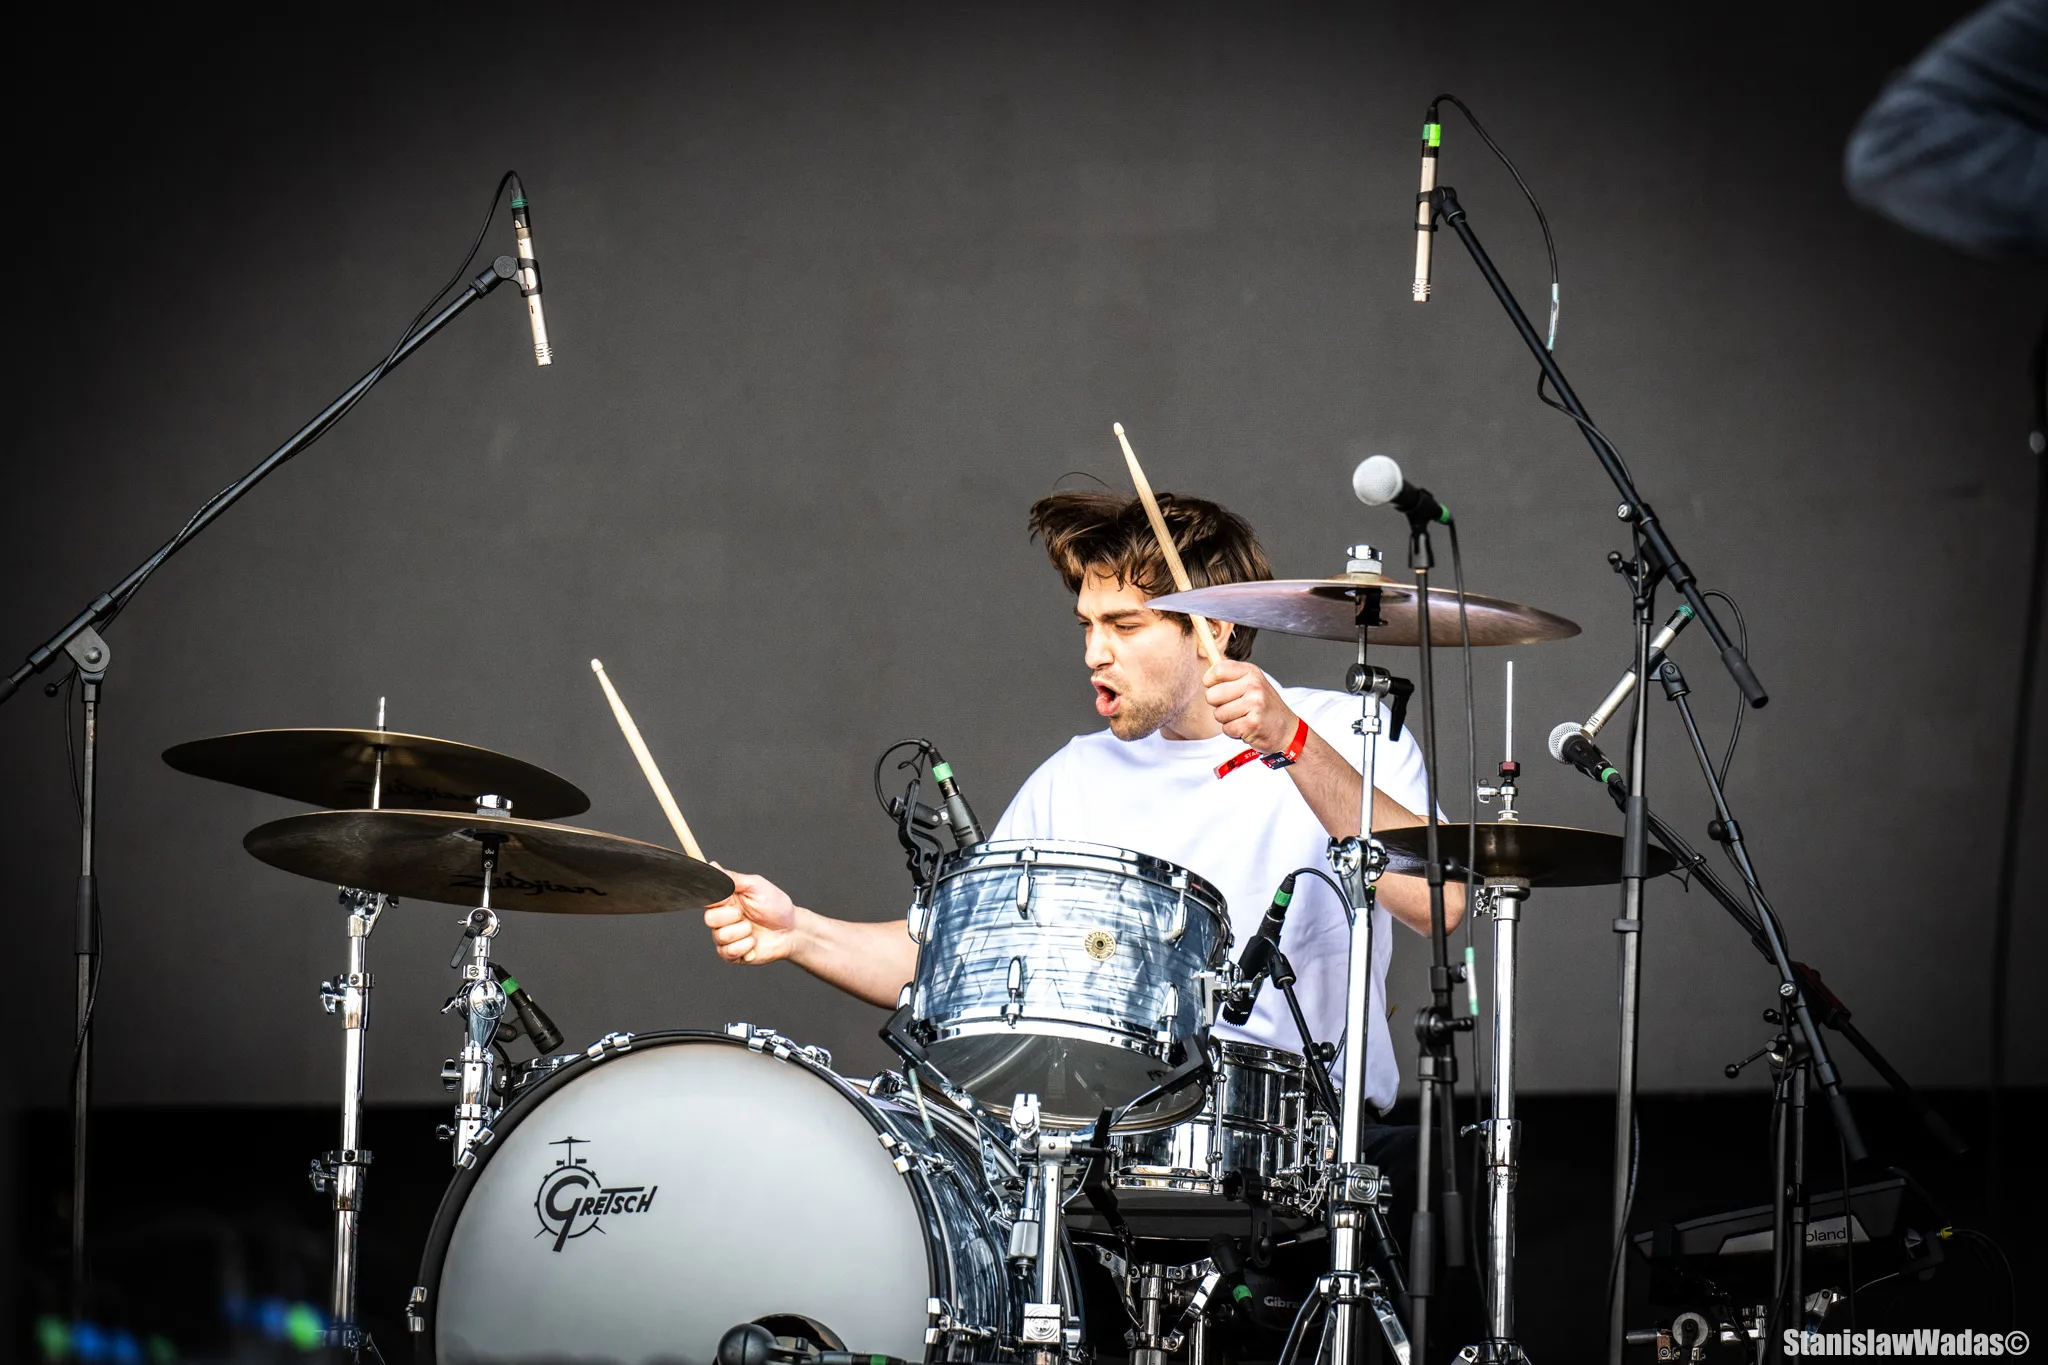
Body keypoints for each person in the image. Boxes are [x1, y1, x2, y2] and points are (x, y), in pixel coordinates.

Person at [700, 488, 1463, 1141]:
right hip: (1115, 1147)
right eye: (1086, 626)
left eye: (1124, 625)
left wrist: (1291, 741)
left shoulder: (1351, 733)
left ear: (1216, 630)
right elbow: (961, 960)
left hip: (1312, 1146)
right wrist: (799, 931)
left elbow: (1441, 902)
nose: (1096, 652)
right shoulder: (1073, 776)